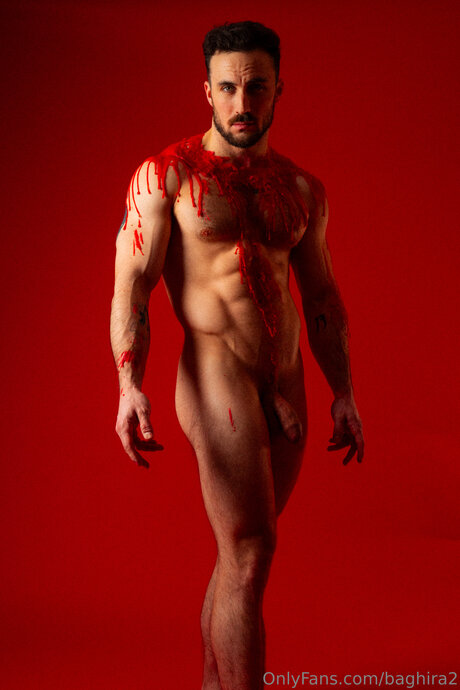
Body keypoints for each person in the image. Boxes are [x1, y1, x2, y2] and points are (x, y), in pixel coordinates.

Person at [110, 20, 364, 690]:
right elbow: (132, 283)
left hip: (287, 380)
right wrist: (129, 385)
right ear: (207, 91)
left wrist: (343, 390)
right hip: (214, 370)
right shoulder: (166, 177)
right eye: (227, 88)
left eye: (256, 87)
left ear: (279, 89)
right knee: (250, 551)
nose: (242, 103)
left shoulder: (302, 190)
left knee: (241, 555)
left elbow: (322, 296)